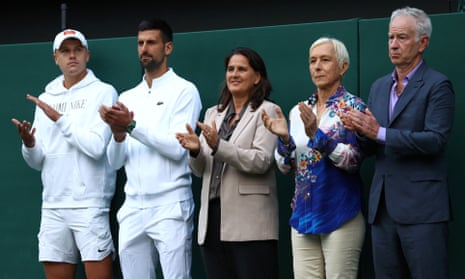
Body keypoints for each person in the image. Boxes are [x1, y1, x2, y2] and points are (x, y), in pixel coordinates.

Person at [340, 7, 455, 279]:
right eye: (390, 37)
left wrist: (377, 131)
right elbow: (371, 146)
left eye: (402, 37)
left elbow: (435, 140)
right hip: (382, 211)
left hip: (423, 211)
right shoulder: (380, 86)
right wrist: (359, 131)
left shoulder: (438, 85)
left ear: (422, 43)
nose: (393, 44)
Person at [98, 18, 202, 279]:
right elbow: (115, 162)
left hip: (171, 205)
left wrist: (131, 125)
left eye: (151, 42)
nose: (144, 48)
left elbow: (178, 148)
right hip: (133, 207)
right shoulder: (127, 97)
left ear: (168, 48)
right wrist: (118, 134)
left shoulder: (185, 91)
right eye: (140, 43)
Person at [11, 29, 118, 279]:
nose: (72, 56)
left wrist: (59, 119)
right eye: (65, 51)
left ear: (87, 55)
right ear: (55, 58)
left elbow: (96, 148)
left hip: (90, 205)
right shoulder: (47, 97)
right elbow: (38, 162)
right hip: (53, 206)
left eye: (77, 50)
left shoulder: (104, 92)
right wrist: (29, 144)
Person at [262, 37, 367, 278]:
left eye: (325, 60)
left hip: (341, 214)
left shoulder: (353, 108)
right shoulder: (299, 112)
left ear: (343, 66)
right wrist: (285, 141)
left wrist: (318, 136)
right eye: (312, 61)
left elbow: (354, 161)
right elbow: (285, 166)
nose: (317, 66)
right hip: (303, 217)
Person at [175, 47, 280, 279]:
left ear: (257, 77)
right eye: (230, 69)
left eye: (242, 69)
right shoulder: (214, 113)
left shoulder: (267, 111)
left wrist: (218, 146)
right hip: (212, 222)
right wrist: (194, 152)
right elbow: (200, 169)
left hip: (251, 225)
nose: (234, 74)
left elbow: (261, 161)